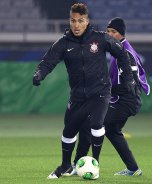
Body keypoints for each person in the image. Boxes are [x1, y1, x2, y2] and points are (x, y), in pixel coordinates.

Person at [32, 3, 136, 179]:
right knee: (68, 131)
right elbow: (48, 61)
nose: (76, 25)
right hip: (78, 96)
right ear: (69, 21)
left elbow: (122, 55)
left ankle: (94, 164)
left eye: (80, 21)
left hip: (100, 93)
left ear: (87, 21)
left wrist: (128, 79)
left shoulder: (101, 39)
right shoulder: (63, 43)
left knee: (96, 125)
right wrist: (39, 74)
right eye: (73, 21)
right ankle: (65, 166)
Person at [68, 17, 150, 177]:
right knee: (112, 130)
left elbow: (131, 79)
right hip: (124, 100)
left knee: (91, 124)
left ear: (121, 34)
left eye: (114, 31)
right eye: (108, 31)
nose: (110, 34)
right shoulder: (117, 48)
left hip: (126, 100)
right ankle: (133, 169)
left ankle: (78, 164)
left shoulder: (125, 52)